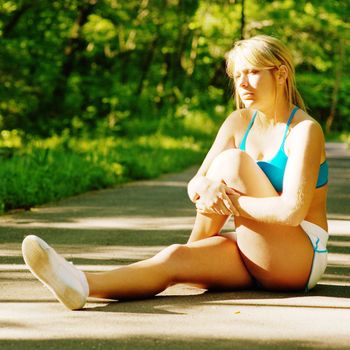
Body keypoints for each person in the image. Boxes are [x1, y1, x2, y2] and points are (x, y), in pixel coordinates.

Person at [22, 35, 329, 310]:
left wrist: (229, 201)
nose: (243, 83)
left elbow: (291, 211)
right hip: (258, 251)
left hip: (299, 260)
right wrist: (206, 189)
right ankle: (81, 283)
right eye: (237, 75)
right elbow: (195, 182)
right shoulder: (238, 122)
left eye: (252, 72)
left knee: (232, 163)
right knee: (173, 258)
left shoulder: (304, 130)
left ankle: (194, 246)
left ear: (281, 73)